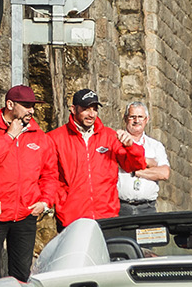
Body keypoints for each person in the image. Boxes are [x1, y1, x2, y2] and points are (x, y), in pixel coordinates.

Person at [0, 84, 57, 281]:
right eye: (26, 105)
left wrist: (45, 202)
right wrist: (10, 135)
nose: (31, 110)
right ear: (10, 104)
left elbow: (50, 174)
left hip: (26, 214)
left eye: (32, 105)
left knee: (21, 275)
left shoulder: (40, 136)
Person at [51, 88, 145, 228]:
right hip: (72, 219)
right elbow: (49, 176)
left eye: (94, 109)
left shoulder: (110, 136)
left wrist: (131, 146)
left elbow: (136, 165)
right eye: (86, 109)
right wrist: (59, 204)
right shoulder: (55, 138)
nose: (91, 114)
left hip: (107, 216)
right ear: (73, 109)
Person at [116, 101, 169, 216]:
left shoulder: (155, 146)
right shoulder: (116, 142)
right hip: (121, 207)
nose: (136, 120)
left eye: (140, 117)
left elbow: (164, 173)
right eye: (132, 117)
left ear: (147, 119)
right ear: (125, 119)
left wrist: (135, 169)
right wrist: (150, 163)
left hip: (147, 208)